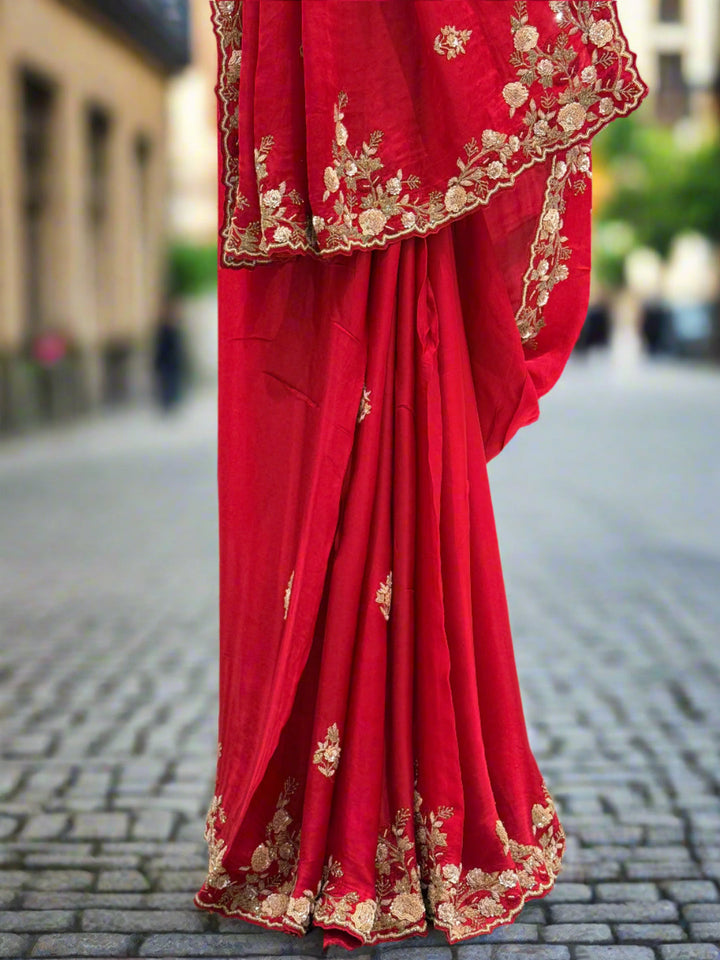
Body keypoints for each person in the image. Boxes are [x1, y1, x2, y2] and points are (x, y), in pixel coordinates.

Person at [195, 1, 646, 949]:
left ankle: (340, 819)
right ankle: (397, 812)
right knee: (392, 432)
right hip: (393, 153)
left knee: (359, 445)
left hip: (347, 146)